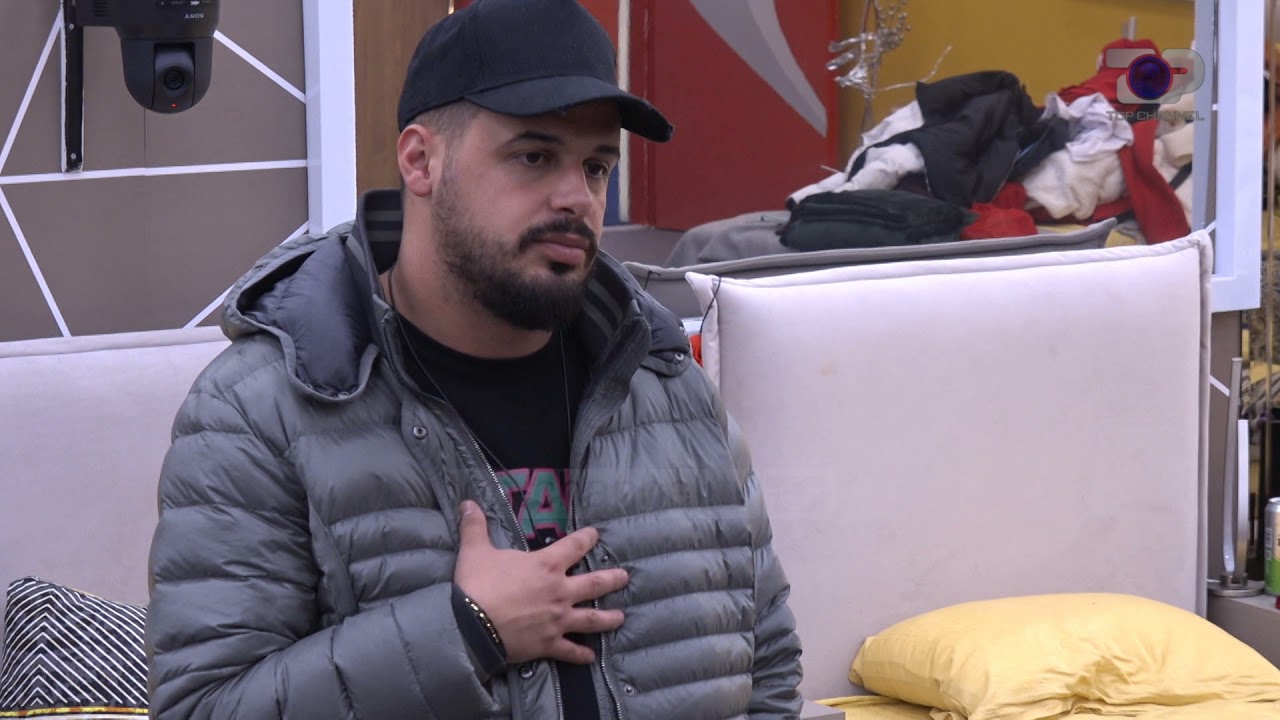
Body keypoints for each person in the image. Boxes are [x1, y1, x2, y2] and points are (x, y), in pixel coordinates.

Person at [144, 0, 803, 717]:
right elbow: (203, 708)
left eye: (595, 166)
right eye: (534, 156)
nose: (576, 198)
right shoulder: (263, 409)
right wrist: (464, 632)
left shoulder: (666, 385)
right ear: (421, 160)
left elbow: (767, 671)